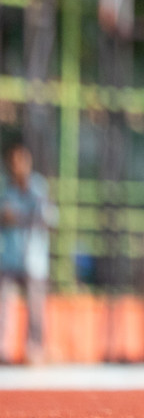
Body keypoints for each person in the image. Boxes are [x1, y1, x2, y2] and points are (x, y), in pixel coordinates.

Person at [0, 142, 56, 365]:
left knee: (35, 309)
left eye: (21, 161)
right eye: (13, 162)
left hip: (34, 259)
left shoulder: (38, 189)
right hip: (9, 257)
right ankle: (3, 350)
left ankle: (34, 350)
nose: (17, 166)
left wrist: (23, 216)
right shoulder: (6, 190)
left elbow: (50, 218)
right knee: (4, 305)